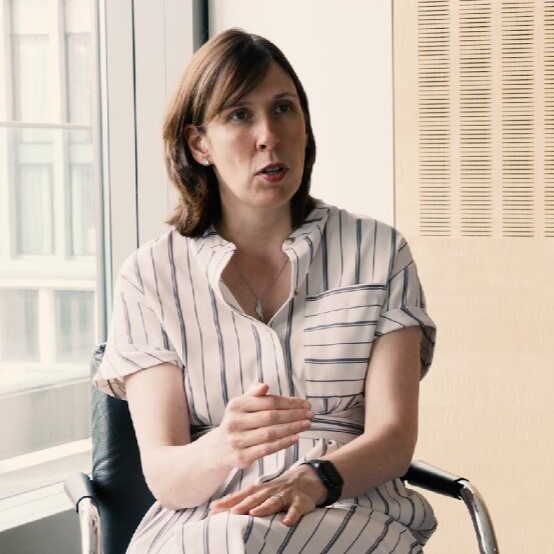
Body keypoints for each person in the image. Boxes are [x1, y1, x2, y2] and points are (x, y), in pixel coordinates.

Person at [94, 28, 438, 553]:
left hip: (350, 505)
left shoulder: (379, 251)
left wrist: (318, 477)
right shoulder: (149, 276)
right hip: (208, 519)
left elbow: (393, 438)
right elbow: (166, 475)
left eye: (283, 109)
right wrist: (222, 446)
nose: (268, 136)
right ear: (199, 144)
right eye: (239, 115)